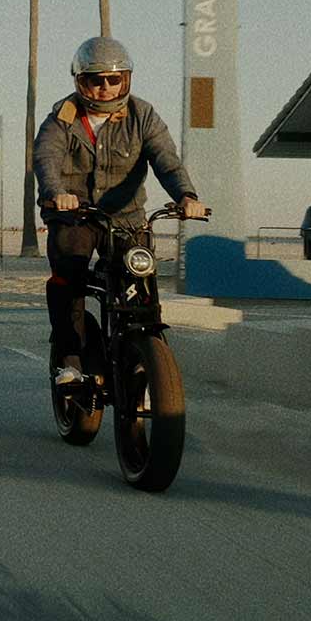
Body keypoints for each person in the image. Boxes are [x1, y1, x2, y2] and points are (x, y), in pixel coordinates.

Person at [33, 37, 207, 386]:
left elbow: (166, 160)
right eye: (96, 80)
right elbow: (45, 158)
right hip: (75, 217)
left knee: (140, 278)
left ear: (126, 79)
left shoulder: (143, 115)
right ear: (81, 82)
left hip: (126, 219)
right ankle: (70, 359)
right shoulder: (62, 118)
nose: (105, 87)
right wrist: (56, 194)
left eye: (114, 79)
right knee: (69, 275)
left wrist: (186, 196)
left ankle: (151, 352)